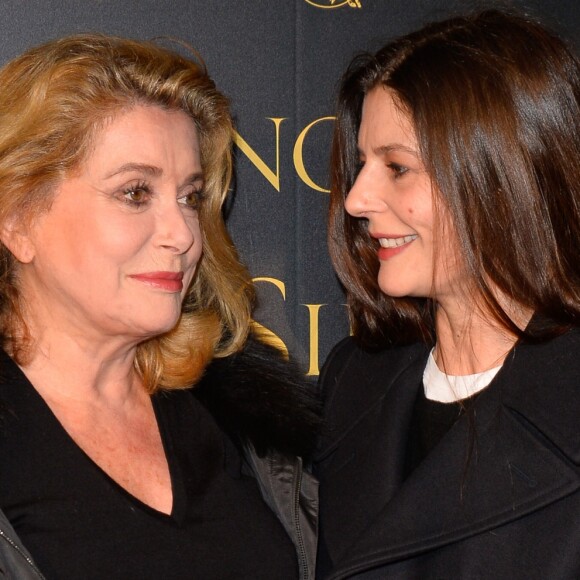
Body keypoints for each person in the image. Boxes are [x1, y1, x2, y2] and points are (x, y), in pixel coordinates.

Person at [0, 34, 320, 579]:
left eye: (190, 197)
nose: (182, 234)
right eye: (134, 193)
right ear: (17, 219)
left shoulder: (245, 423)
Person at [315, 9, 580, 579]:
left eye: (398, 168)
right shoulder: (352, 385)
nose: (357, 199)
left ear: (502, 176)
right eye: (362, 164)